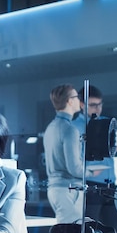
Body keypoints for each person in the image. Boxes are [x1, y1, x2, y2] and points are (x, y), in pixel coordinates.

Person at [72, 84, 117, 233]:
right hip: (90, 185)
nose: (97, 109)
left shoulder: (106, 123)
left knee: (113, 230)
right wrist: (108, 148)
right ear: (81, 104)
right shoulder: (74, 127)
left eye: (100, 105)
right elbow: (76, 158)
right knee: (90, 230)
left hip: (110, 185)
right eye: (93, 105)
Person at [43, 84, 103, 224]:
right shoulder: (70, 130)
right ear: (70, 101)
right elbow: (74, 168)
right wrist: (91, 173)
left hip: (56, 190)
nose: (79, 100)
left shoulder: (51, 127)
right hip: (68, 191)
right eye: (77, 97)